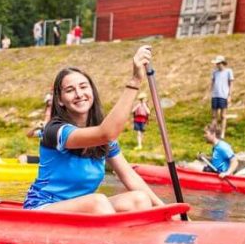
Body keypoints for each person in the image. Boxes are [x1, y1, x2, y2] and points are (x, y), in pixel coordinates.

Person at [22, 46, 168, 214]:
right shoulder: (55, 130)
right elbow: (105, 133)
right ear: (60, 100)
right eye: (70, 90)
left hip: (82, 208)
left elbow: (129, 175)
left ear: (92, 91)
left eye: (83, 87)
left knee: (140, 199)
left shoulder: (104, 140)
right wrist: (135, 81)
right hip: (42, 208)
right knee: (98, 202)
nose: (79, 94)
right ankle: (117, 237)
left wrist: (165, 210)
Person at [207, 55, 234, 135]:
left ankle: (222, 133)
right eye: (216, 64)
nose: (217, 65)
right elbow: (212, 83)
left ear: (222, 63)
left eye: (218, 63)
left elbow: (231, 84)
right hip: (215, 96)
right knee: (214, 116)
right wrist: (209, 93)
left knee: (223, 116)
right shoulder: (214, 72)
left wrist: (229, 95)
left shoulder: (229, 71)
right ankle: (213, 132)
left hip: (223, 96)